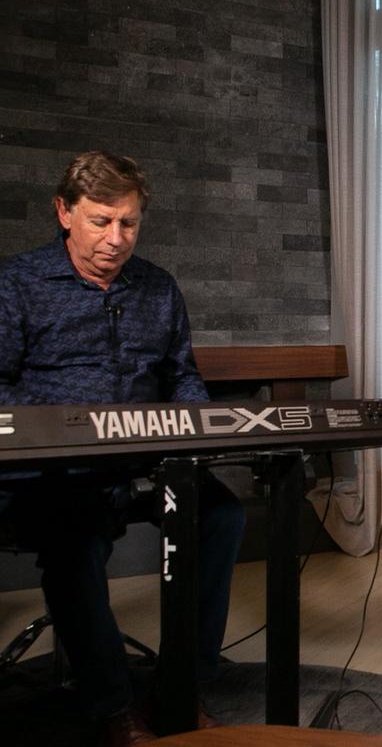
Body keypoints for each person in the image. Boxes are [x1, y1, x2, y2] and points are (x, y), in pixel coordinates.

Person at [0, 151, 246, 746]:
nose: (116, 238)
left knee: (220, 514)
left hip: (142, 461)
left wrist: (195, 427)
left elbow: (181, 375)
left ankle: (181, 688)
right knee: (76, 537)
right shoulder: (17, 283)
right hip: (48, 473)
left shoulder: (157, 287)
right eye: (100, 221)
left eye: (129, 223)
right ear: (64, 213)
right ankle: (111, 705)